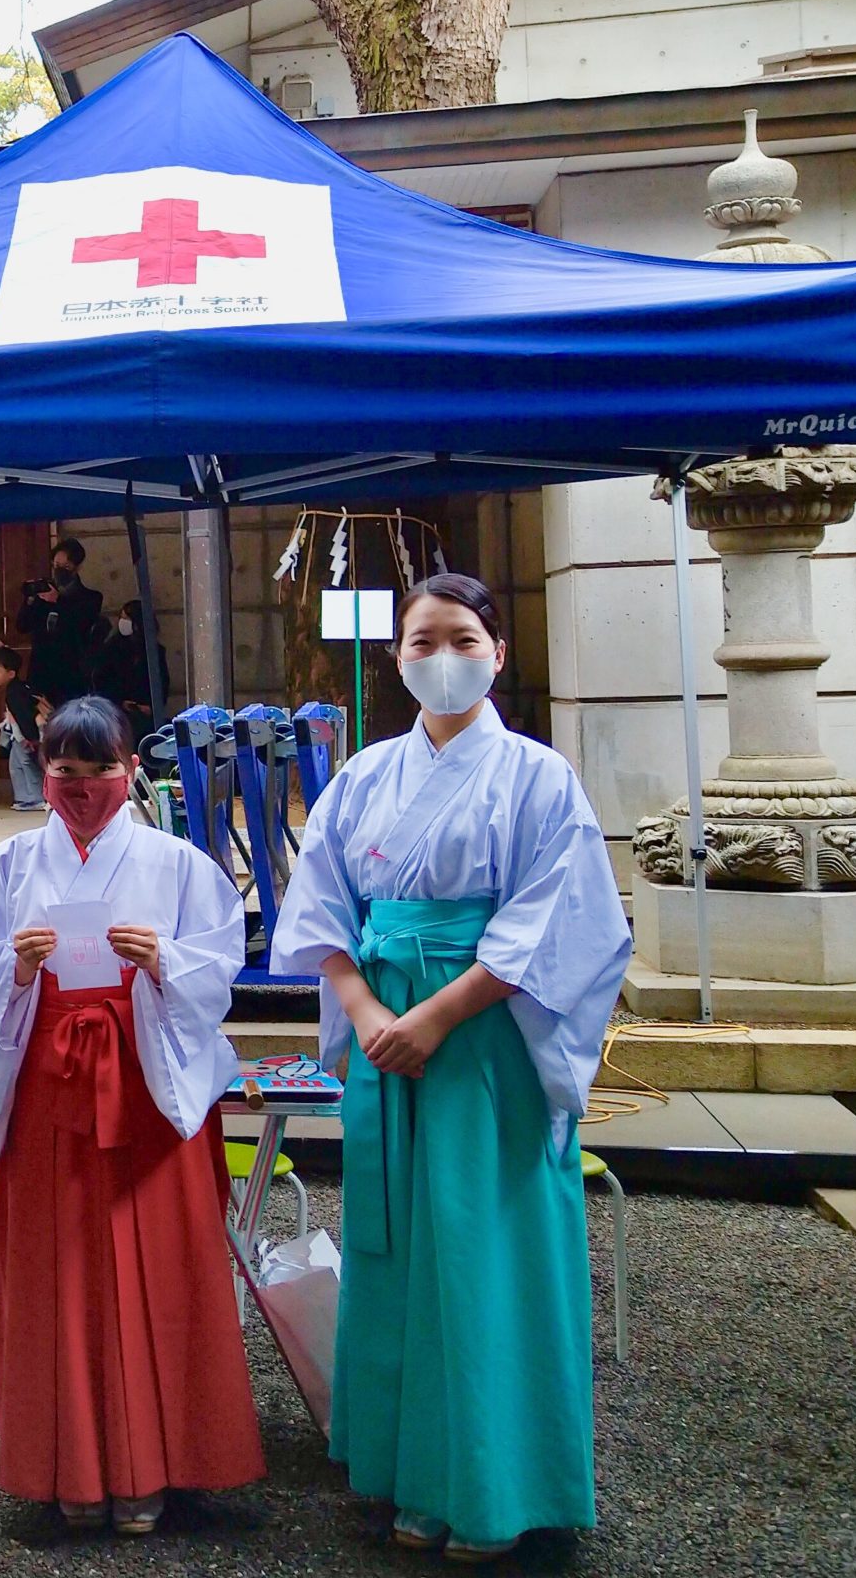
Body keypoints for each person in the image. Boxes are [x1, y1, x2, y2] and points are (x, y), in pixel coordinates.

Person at [268, 573, 628, 1562]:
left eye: (459, 638)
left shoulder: (537, 779)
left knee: (480, 1251)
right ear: (395, 659)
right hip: (385, 1023)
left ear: (496, 652)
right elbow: (320, 909)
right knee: (395, 1257)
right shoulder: (365, 775)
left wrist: (432, 1016)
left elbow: (552, 918)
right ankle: (403, 1474)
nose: (439, 658)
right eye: (419, 642)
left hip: (483, 1036)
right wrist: (364, 1010)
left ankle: (490, 1481)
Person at [0, 696, 265, 1536]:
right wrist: (10, 967)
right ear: (45, 774)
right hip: (47, 1080)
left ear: (131, 773)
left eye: (100, 773)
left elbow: (221, 962)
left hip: (146, 1079)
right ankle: (68, 1475)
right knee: (53, 1274)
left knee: (167, 1269)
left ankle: (166, 1468)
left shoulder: (177, 863)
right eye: (65, 774)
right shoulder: (11, 864)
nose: (82, 791)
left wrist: (167, 962)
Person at [15, 538, 105, 705]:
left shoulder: (90, 598)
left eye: (66, 566)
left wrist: (58, 601)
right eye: (56, 565)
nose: (60, 570)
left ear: (77, 567)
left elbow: (80, 626)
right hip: (40, 673)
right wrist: (29, 600)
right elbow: (22, 626)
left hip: (70, 675)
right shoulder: (42, 594)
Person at [92, 600, 167, 738]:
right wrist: (120, 701)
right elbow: (101, 679)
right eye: (122, 618)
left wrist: (151, 706)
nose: (123, 622)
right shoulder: (111, 648)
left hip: (144, 714)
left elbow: (162, 681)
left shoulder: (154, 650)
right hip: (117, 712)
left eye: (127, 618)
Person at [0, 647, 44, 811]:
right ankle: (24, 797)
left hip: (23, 736)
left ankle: (36, 797)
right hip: (19, 735)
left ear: (11, 674)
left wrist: (29, 738)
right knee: (16, 764)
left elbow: (24, 716)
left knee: (25, 763)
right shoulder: (18, 689)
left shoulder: (15, 693)